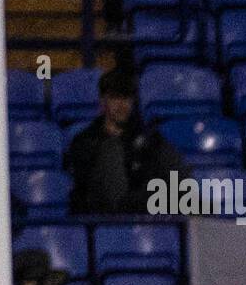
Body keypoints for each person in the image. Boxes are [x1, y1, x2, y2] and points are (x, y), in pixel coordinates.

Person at [66, 67, 185, 216]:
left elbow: (175, 179)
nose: (122, 105)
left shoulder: (149, 138)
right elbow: (92, 193)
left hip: (147, 218)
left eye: (127, 98)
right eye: (116, 98)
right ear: (103, 101)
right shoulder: (85, 141)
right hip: (104, 222)